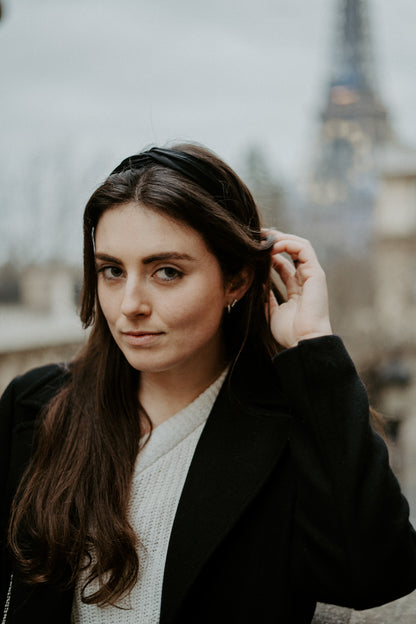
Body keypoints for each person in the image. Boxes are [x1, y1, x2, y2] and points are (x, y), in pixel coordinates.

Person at [1, 144, 416, 624]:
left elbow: (373, 575)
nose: (129, 303)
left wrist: (314, 347)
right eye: (111, 270)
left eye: (167, 272)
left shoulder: (294, 434)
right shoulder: (37, 408)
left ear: (236, 279)